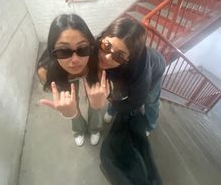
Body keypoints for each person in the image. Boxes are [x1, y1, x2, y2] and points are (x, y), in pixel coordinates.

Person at [37, 14, 109, 146]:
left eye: (82, 48)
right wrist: (69, 113)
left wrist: (99, 102)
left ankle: (94, 128)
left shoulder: (95, 56)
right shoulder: (46, 70)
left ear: (90, 46)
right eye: (63, 51)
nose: (75, 60)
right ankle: (78, 130)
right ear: (52, 50)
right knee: (70, 103)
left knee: (95, 98)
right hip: (62, 76)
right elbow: (65, 103)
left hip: (89, 72)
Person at [97, 16, 166, 135]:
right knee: (117, 91)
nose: (107, 57)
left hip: (155, 70)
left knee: (151, 100)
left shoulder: (140, 72)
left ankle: (150, 124)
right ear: (103, 37)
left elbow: (135, 102)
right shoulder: (98, 44)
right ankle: (112, 110)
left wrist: (109, 99)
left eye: (119, 56)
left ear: (130, 58)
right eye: (106, 47)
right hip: (123, 72)